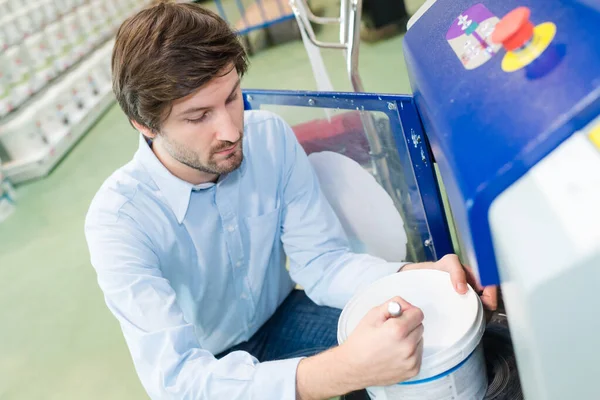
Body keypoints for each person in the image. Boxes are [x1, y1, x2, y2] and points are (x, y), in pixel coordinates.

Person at [84, 2, 497, 399]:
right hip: (207, 361)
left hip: (282, 317)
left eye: (231, 97)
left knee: (415, 345)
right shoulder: (119, 222)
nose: (230, 130)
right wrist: (342, 370)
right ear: (144, 123)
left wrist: (417, 276)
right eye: (197, 117)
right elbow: (179, 381)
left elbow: (321, 262)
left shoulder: (269, 138)